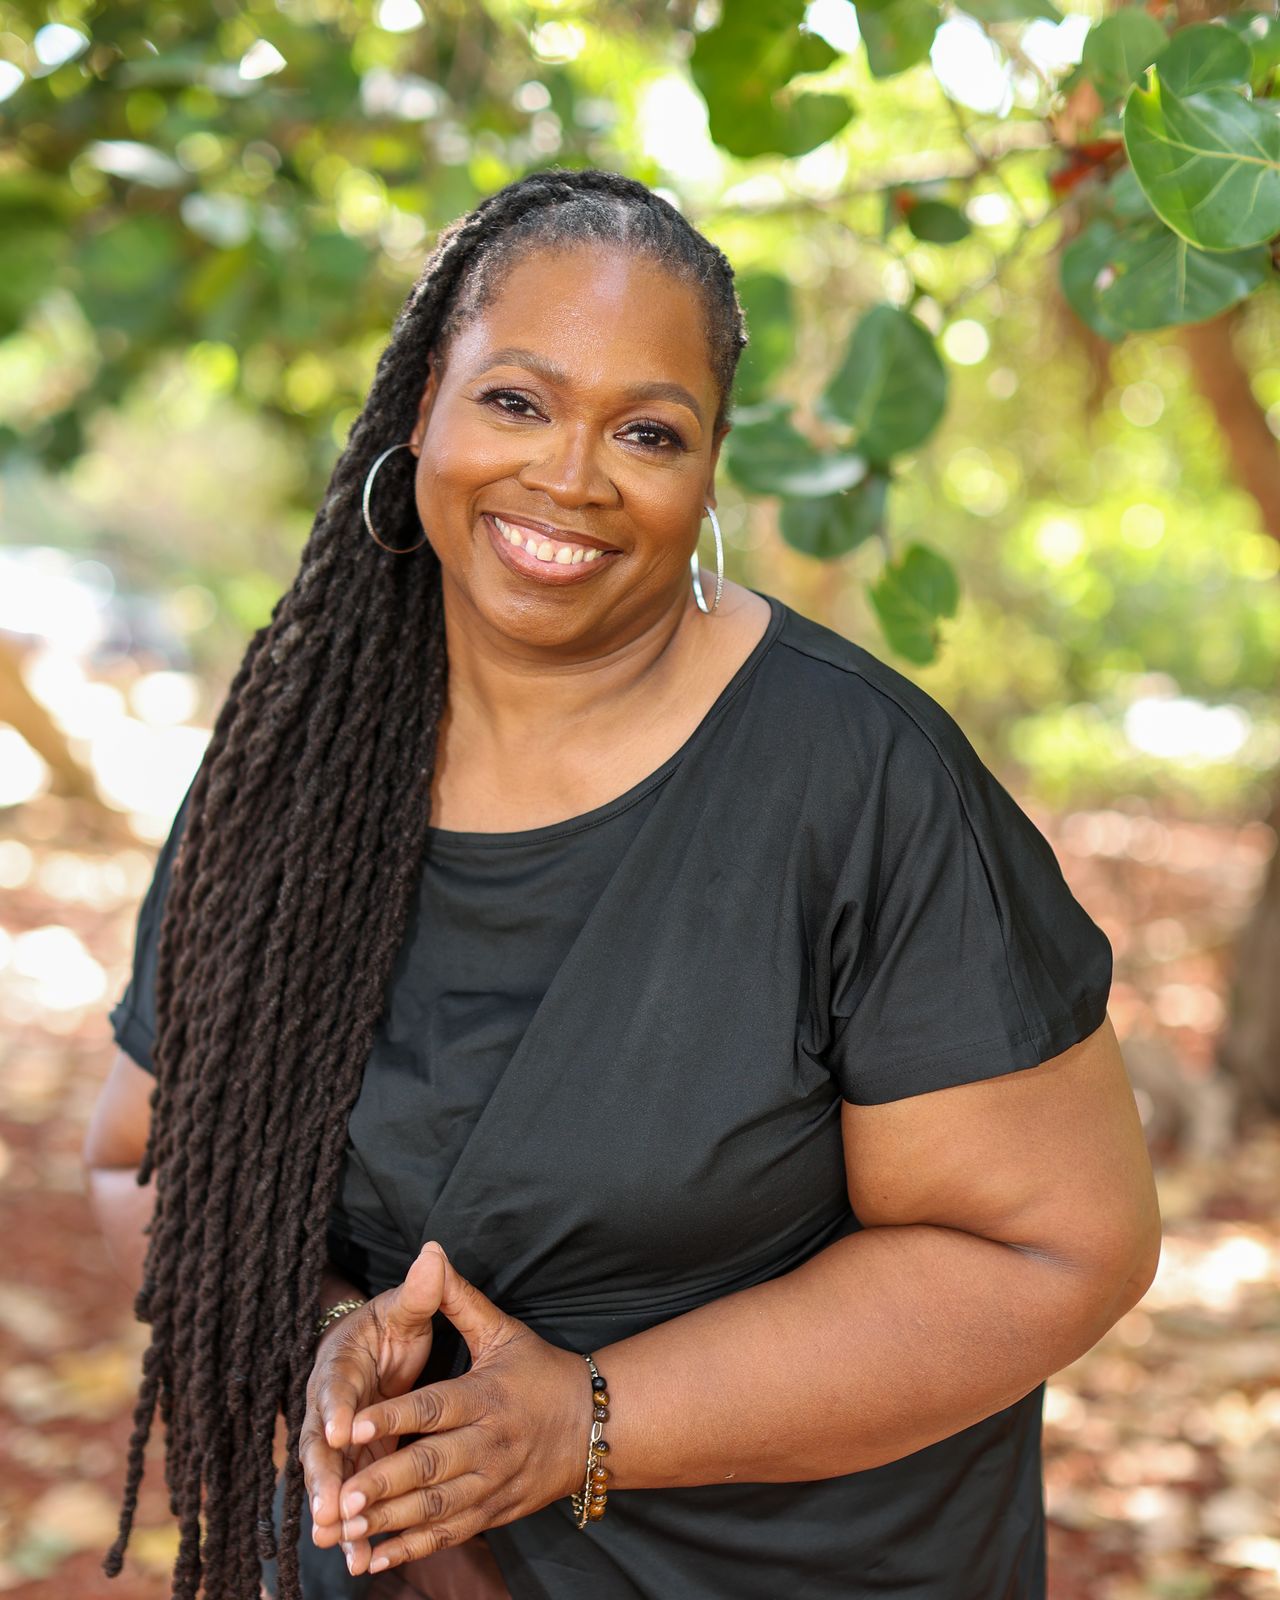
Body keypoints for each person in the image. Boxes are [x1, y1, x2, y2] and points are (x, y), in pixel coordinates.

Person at [84, 167, 1162, 1600]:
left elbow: (1056, 1250)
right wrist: (319, 1343)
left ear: (709, 472)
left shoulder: (854, 781)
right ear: (422, 407)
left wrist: (588, 1421)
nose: (571, 476)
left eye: (647, 431)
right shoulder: (295, 767)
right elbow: (141, 1159)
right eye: (516, 401)